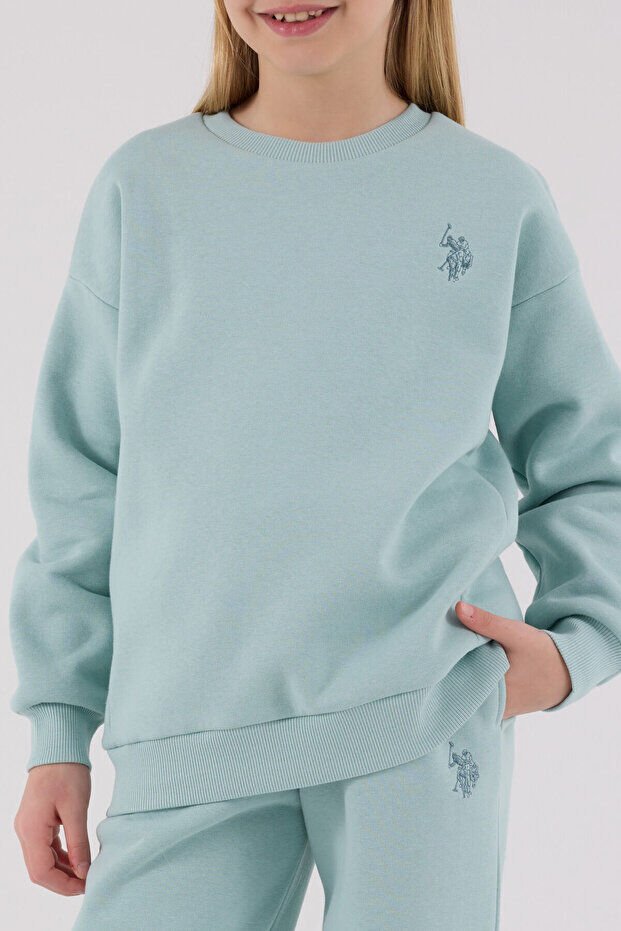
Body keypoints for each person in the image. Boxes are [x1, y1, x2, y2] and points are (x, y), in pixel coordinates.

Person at [9, 1, 621, 928]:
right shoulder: (147, 187)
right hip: (187, 731)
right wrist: (58, 726)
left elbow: (587, 454)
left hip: (420, 721)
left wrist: (576, 645)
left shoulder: (492, 195)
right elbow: (82, 479)